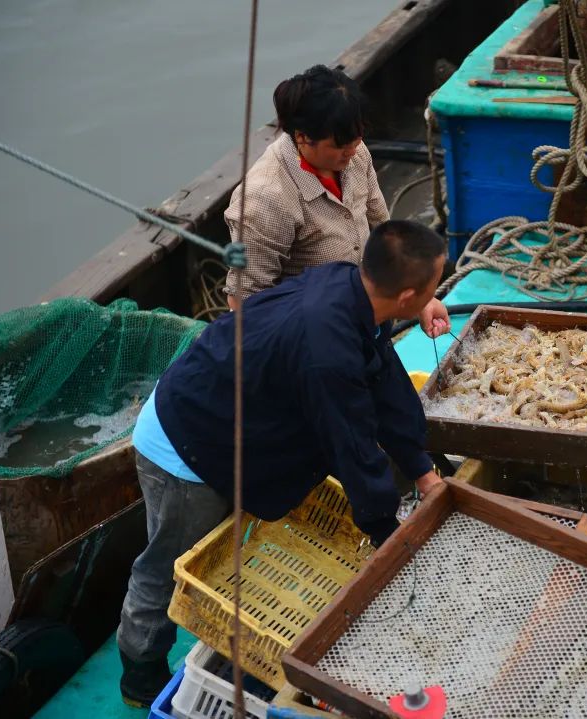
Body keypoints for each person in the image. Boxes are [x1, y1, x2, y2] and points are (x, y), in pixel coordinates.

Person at [117, 220, 448, 706]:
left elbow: (383, 382)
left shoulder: (350, 288)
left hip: (237, 413)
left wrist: (422, 470)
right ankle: (140, 676)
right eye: (434, 285)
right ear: (407, 298)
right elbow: (350, 443)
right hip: (186, 440)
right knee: (166, 566)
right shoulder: (327, 352)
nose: (436, 295)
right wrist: (385, 532)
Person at [223, 63, 449, 338]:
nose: (352, 152)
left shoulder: (356, 154)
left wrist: (420, 301)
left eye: (356, 140)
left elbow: (383, 232)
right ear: (302, 137)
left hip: (367, 317)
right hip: (308, 337)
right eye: (339, 146)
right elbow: (244, 300)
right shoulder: (265, 198)